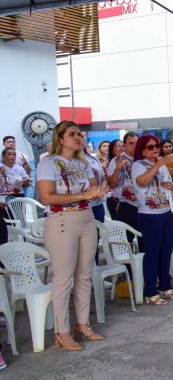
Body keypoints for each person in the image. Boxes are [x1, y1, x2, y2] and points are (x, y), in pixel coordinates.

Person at [37, 121, 107, 351]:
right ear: (60, 138)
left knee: (85, 275)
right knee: (64, 278)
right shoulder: (48, 163)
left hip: (86, 218)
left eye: (79, 134)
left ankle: (83, 324)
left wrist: (98, 191)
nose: (78, 137)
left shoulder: (83, 162)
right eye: (72, 134)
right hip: (62, 221)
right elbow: (47, 197)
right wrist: (84, 193)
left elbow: (94, 189)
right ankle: (62, 331)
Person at [131, 135, 173, 305]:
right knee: (153, 252)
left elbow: (169, 187)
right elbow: (142, 181)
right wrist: (159, 163)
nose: (155, 150)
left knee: (166, 250)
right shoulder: (138, 165)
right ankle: (150, 290)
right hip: (149, 214)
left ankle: (165, 286)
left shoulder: (161, 165)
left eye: (156, 146)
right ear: (142, 149)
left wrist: (171, 187)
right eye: (151, 147)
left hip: (165, 211)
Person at [107, 132, 140, 240]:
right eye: (131, 143)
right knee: (126, 241)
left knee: (145, 241)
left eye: (137, 143)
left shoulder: (143, 159)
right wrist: (117, 169)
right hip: (127, 205)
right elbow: (112, 184)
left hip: (144, 205)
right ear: (124, 145)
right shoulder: (117, 160)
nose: (135, 146)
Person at [0, 148, 31, 212]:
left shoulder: (20, 168)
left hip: (18, 196)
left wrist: (25, 182)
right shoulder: (1, 167)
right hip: (3, 198)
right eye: (9, 154)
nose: (12, 156)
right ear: (3, 156)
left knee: (19, 216)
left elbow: (27, 183)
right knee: (5, 219)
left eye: (14, 155)